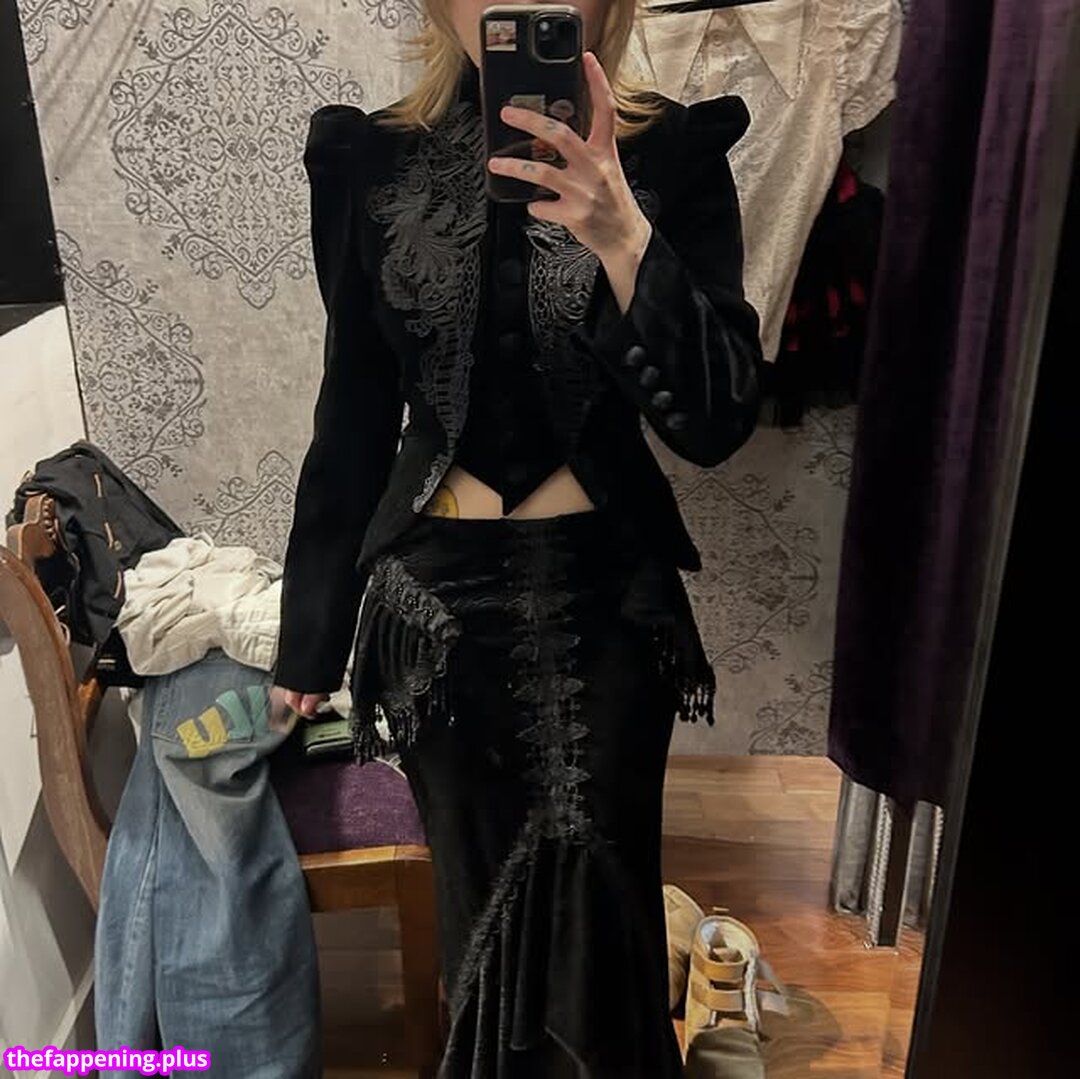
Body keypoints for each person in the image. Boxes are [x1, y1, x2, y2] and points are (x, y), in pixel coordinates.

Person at [273, 0, 761, 1073]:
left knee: (607, 908)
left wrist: (623, 233)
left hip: (612, 604)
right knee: (482, 912)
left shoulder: (672, 155)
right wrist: (308, 639)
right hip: (437, 619)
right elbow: (353, 411)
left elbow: (718, 417)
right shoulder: (367, 161)